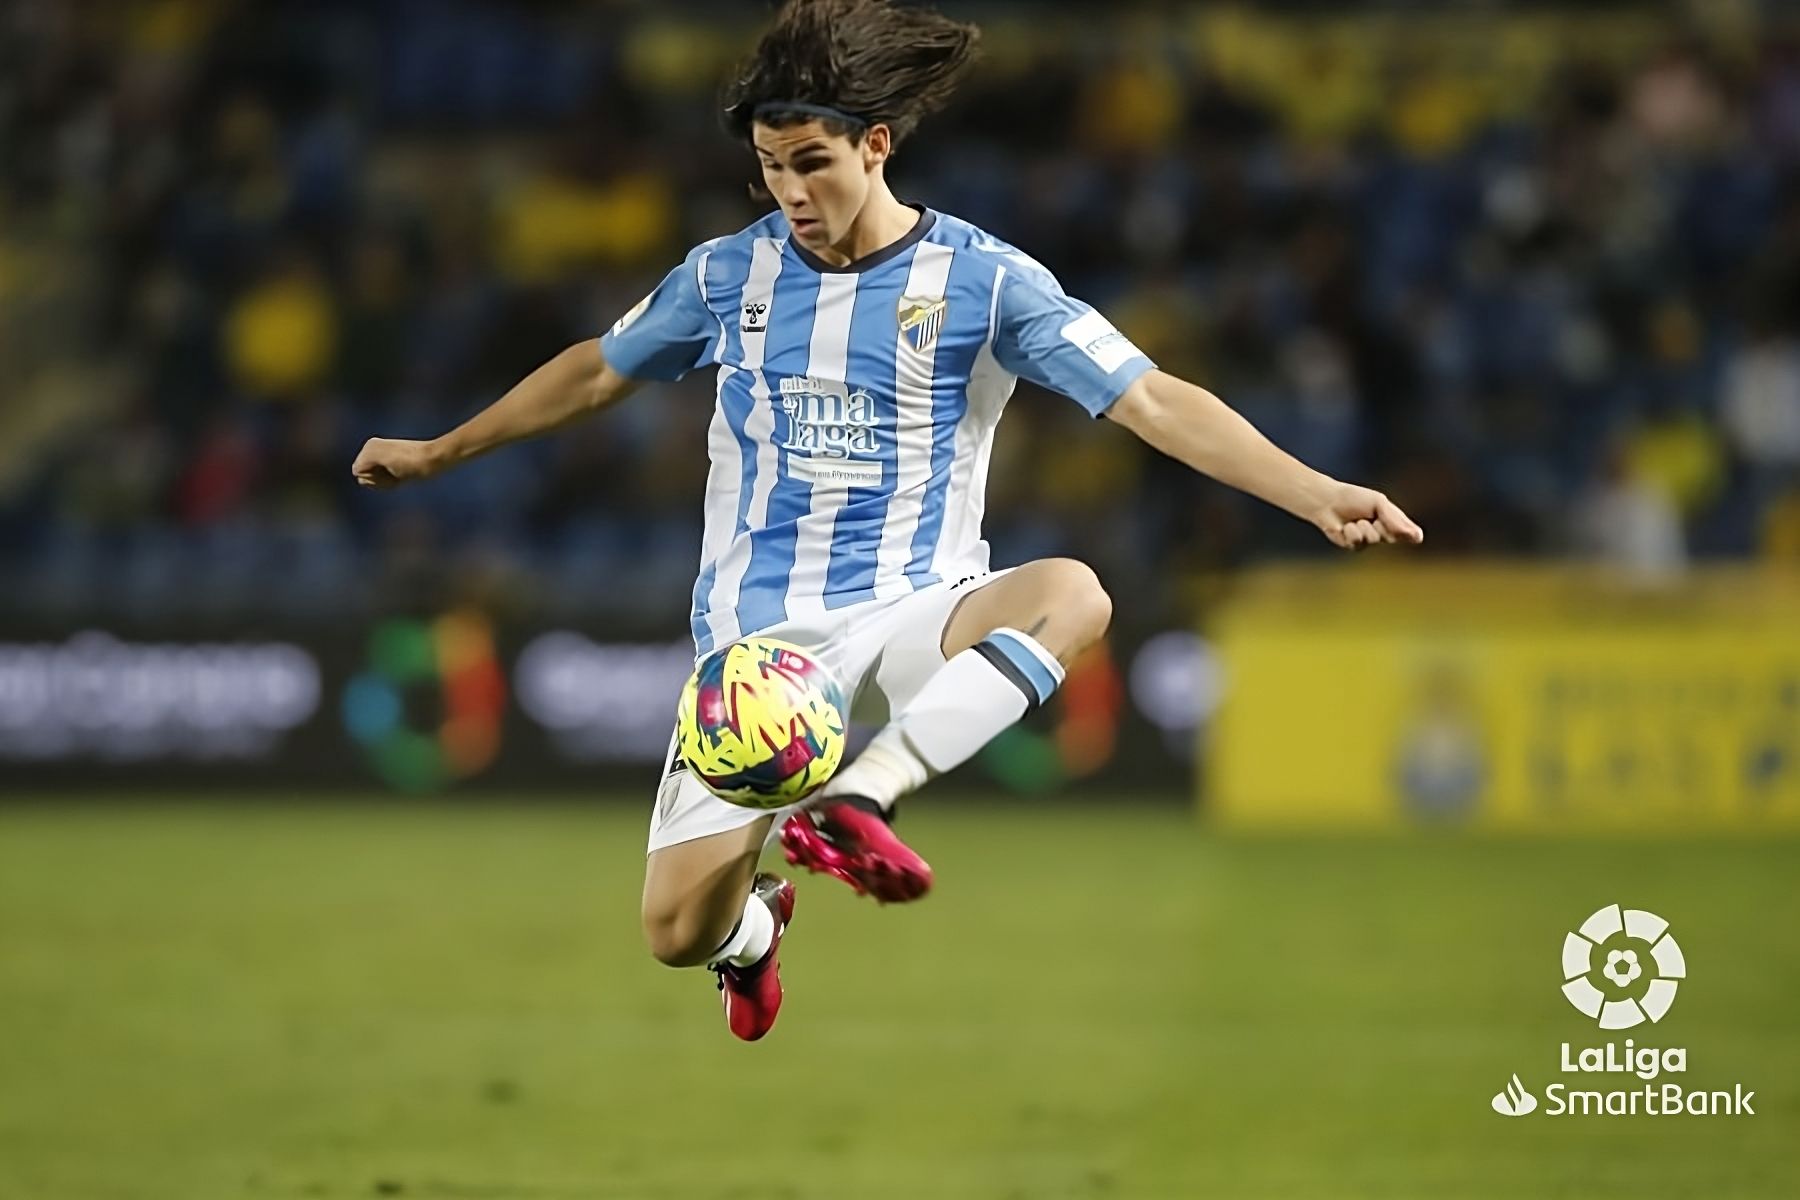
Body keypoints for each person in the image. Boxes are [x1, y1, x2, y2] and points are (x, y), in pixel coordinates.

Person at [350, 0, 1424, 1042]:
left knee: (1073, 594)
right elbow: (595, 373)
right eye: (770, 170)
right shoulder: (729, 276)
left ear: (875, 145)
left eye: (811, 164)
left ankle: (865, 794)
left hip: (918, 608)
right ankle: (757, 929)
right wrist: (443, 449)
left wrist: (1316, 492)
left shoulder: (986, 281)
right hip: (756, 654)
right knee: (676, 931)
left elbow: (1149, 398)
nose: (790, 193)